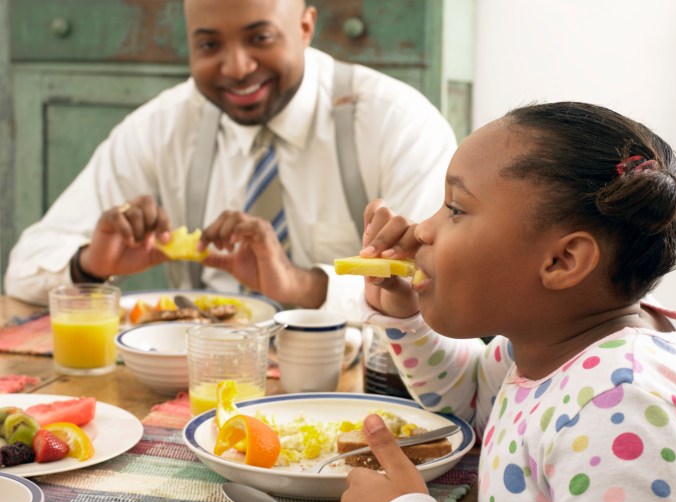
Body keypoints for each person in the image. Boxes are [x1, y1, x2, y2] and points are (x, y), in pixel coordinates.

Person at [3, 0, 454, 321]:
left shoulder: (398, 122)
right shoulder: (162, 125)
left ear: (304, 26)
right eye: (209, 46)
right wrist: (91, 264)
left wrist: (303, 286)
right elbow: (24, 271)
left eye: (260, 37)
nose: (236, 67)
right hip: (201, 379)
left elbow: (434, 287)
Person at [339, 102, 676, 502]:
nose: (421, 230)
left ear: (562, 261)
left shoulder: (619, 409)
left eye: (456, 209)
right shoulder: (552, 340)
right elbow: (469, 399)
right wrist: (406, 318)